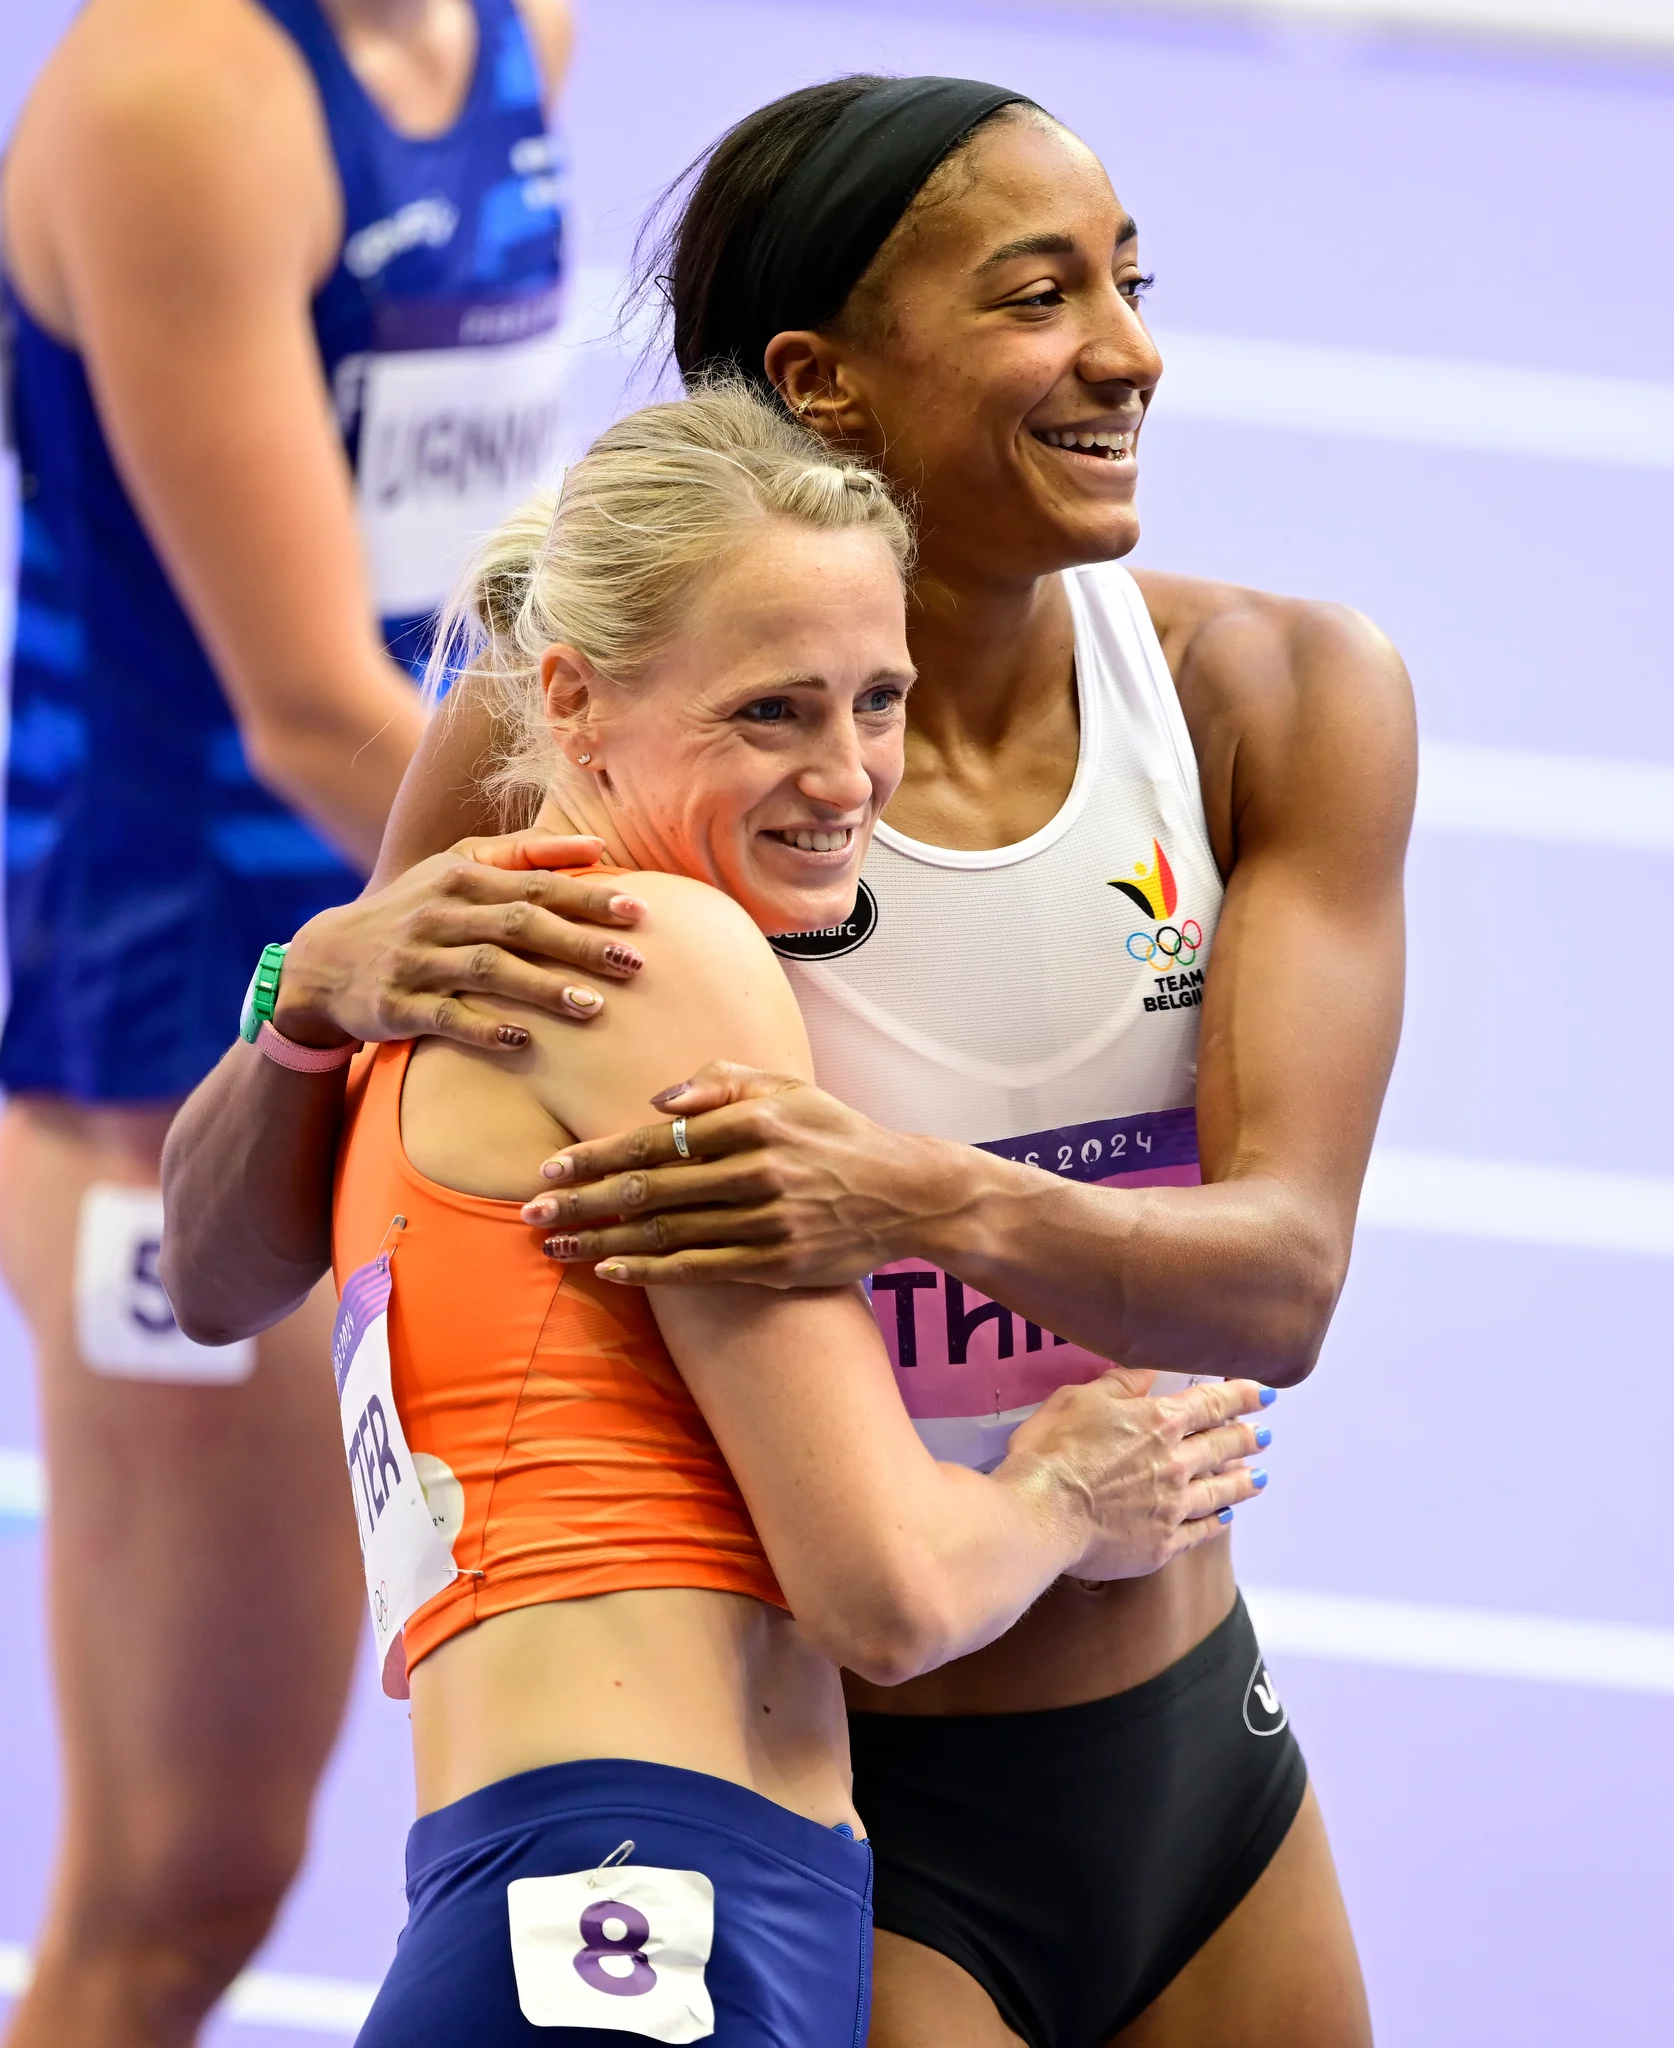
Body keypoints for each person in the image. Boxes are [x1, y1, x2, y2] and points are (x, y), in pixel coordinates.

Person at [164, 75, 1412, 2048]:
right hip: (860, 1815)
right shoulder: (591, 732)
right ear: (824, 381)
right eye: (1040, 297)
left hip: (1192, 1750)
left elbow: (1281, 1287)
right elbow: (227, 1267)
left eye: (1131, 281)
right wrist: (305, 997)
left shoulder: (1271, 694)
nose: (1129, 351)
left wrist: (903, 1194)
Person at [341, 380, 1271, 2047]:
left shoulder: (424, 978)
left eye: (879, 701)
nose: (851, 778)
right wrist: (1071, 1489)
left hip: (571, 1875)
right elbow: (891, 1597)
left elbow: (226, 1268)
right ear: (573, 698)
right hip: (651, 1890)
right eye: (773, 711)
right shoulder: (650, 954)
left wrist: (285, 998)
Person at [0, 1, 639, 2040]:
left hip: (453, 1025)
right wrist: (675, 927)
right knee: (179, 1886)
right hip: (190, 1079)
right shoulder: (180, 100)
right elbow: (311, 708)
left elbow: (474, 582)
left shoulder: (517, 29)